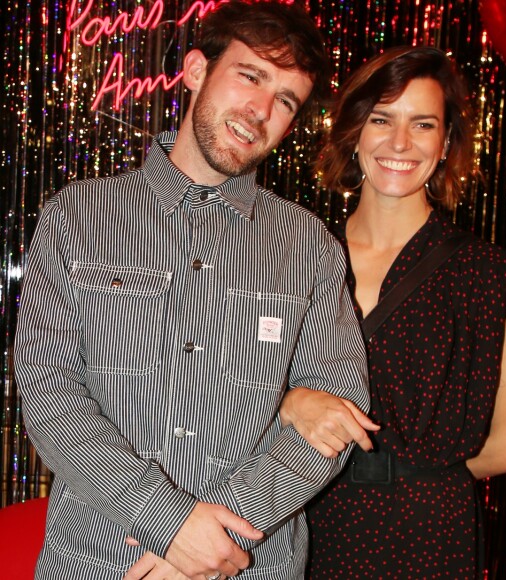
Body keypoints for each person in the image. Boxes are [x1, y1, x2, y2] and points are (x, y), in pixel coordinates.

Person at [13, 2, 372, 578]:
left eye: (285, 101)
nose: (259, 111)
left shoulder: (309, 245)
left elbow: (336, 416)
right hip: (95, 560)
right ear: (197, 70)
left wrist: (215, 540)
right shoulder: (77, 217)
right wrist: (167, 521)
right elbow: (48, 393)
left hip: (253, 564)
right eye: (250, 76)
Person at [279, 46, 506, 577]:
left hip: (427, 536)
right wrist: (289, 401)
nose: (400, 143)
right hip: (299, 519)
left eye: (422, 125)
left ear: (445, 144)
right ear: (354, 132)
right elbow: (225, 391)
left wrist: (416, 478)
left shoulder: (489, 276)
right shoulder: (290, 258)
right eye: (381, 119)